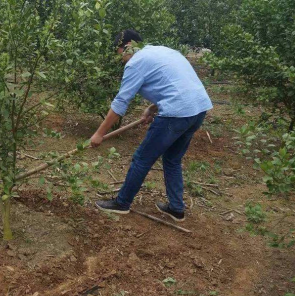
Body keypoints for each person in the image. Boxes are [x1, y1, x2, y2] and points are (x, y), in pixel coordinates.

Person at [91, 30, 213, 222]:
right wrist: (153, 108)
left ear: (129, 45)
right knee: (172, 159)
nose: (122, 59)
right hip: (198, 110)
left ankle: (122, 203)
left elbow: (121, 102)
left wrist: (99, 134)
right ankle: (176, 208)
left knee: (142, 158)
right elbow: (178, 85)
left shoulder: (136, 63)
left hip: (176, 113)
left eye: (120, 52)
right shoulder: (163, 51)